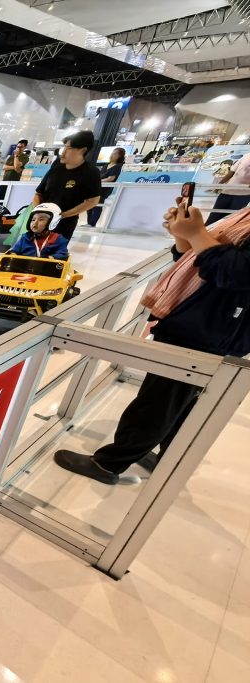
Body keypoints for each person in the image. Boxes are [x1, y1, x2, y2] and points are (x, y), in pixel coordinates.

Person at [54, 200, 250, 485]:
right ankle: (166, 458)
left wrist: (197, 234)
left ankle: (108, 464)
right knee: (178, 400)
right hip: (202, 321)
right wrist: (184, 236)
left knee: (158, 402)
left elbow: (236, 272)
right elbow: (200, 260)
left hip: (209, 330)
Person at [32, 130, 101, 240]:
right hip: (40, 222)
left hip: (64, 224)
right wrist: (38, 212)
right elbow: (38, 193)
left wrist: (62, 215)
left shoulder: (91, 173)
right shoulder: (56, 168)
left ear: (83, 150)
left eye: (69, 148)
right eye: (64, 147)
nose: (63, 152)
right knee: (31, 247)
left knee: (54, 249)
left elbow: (92, 201)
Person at [206, 153, 250, 225]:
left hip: (244, 196)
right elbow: (231, 172)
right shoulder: (246, 156)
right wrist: (220, 184)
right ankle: (206, 229)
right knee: (213, 217)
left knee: (229, 220)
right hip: (227, 192)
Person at [87, 147, 125, 227]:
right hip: (96, 187)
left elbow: (111, 178)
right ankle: (89, 222)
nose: (112, 154)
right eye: (112, 152)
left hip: (104, 189)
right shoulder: (107, 165)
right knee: (90, 204)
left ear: (119, 156)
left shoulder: (117, 167)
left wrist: (98, 181)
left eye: (115, 153)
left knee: (98, 205)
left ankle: (92, 223)